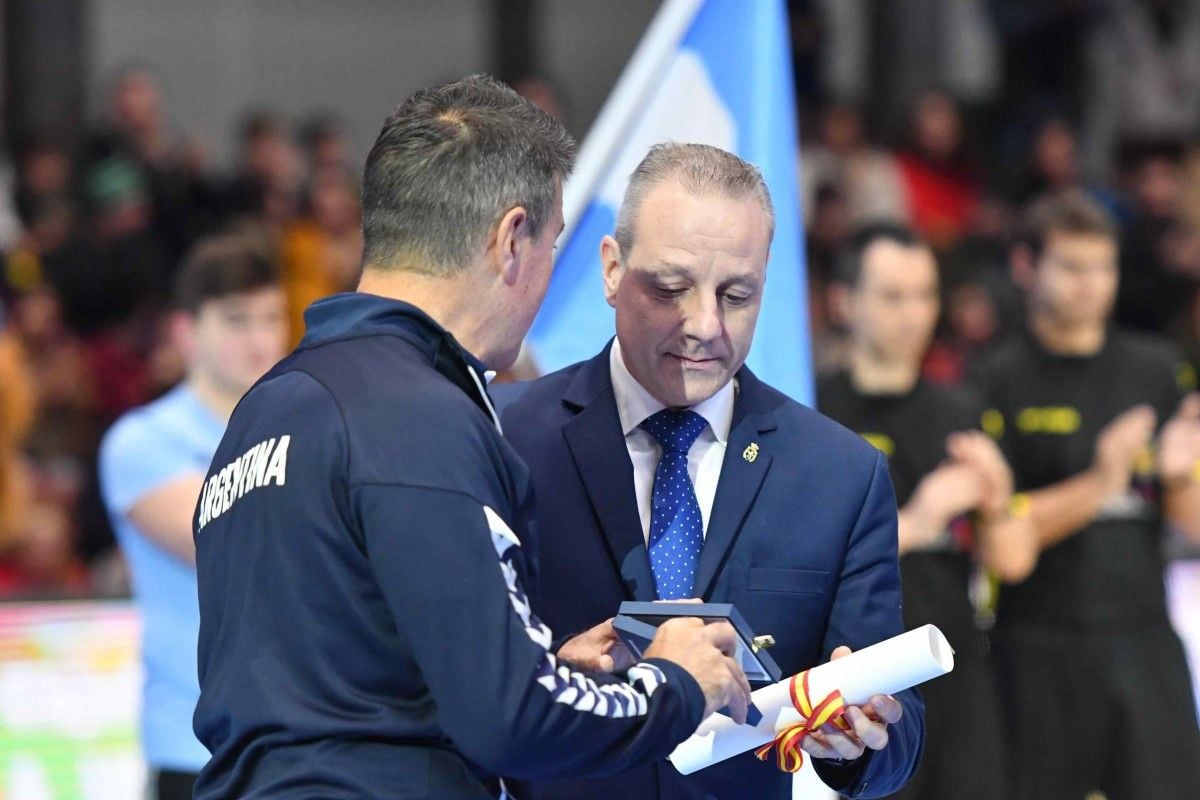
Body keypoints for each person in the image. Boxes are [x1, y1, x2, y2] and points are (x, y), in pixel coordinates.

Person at [191, 76, 751, 800]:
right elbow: (512, 720)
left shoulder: (268, 409)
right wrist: (673, 684)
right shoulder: (419, 416)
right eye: (553, 245)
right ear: (512, 239)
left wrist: (549, 673)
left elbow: (345, 685)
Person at [496, 143, 924, 800]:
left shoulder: (842, 475)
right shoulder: (503, 436)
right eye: (671, 288)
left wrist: (863, 738)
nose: (703, 325)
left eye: (736, 295)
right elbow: (432, 679)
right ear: (611, 269)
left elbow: (895, 730)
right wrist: (550, 674)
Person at [971, 190, 1200, 800]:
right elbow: (1003, 544)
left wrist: (1179, 477)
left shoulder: (1155, 368)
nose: (1090, 285)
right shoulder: (996, 379)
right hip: (1037, 645)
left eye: (1103, 267)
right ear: (1027, 267)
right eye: (1071, 267)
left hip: (1145, 639)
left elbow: (1194, 522)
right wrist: (1102, 481)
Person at [817, 223, 1037, 800]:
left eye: (925, 295)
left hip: (954, 672)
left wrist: (996, 500)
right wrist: (918, 520)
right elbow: (805, 554)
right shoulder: (813, 412)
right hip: (859, 684)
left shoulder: (961, 408)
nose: (914, 314)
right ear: (845, 301)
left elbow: (1011, 561)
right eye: (893, 296)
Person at [99, 235, 288, 800]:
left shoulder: (310, 426)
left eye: (272, 317)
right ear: (185, 332)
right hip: (197, 744)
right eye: (236, 320)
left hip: (301, 737)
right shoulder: (143, 441)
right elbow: (228, 544)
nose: (260, 339)